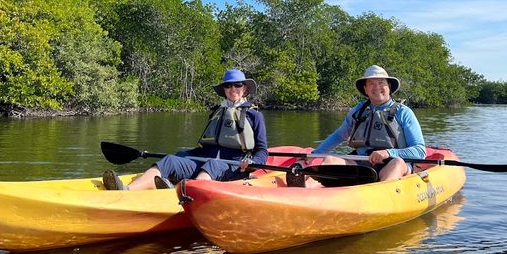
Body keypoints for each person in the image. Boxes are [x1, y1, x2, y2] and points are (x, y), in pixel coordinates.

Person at [103, 69, 268, 190]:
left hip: (234, 166)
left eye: (237, 85)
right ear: (224, 90)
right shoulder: (217, 111)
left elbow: (262, 151)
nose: (233, 89)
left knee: (213, 165)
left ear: (245, 88)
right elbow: (207, 146)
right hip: (205, 160)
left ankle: (186, 194)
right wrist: (184, 154)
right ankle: (127, 191)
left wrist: (252, 163)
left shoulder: (254, 115)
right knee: (170, 159)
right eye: (228, 86)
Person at [290, 65, 425, 186]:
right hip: (362, 163)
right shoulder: (358, 111)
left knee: (397, 164)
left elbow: (420, 151)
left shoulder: (403, 112)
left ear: (389, 86)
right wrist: (313, 156)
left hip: (393, 163)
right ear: (365, 89)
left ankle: (379, 197)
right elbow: (338, 136)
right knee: (330, 160)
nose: (377, 87)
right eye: (371, 84)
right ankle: (305, 190)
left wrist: (388, 152)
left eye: (381, 83)